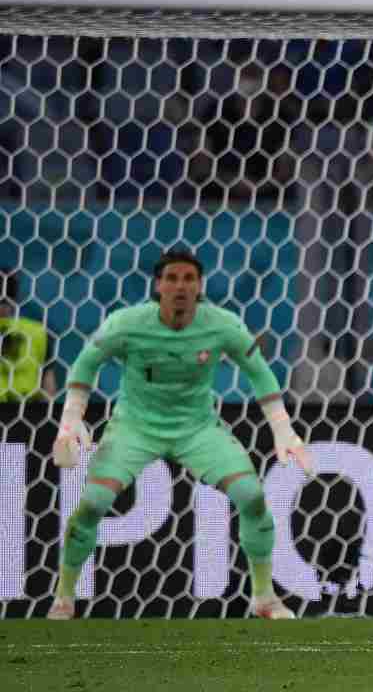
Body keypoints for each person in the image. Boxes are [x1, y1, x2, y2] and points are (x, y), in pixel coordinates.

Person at [47, 247, 313, 621]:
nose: (180, 286)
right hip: (135, 428)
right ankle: (63, 600)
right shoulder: (127, 323)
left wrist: (284, 431)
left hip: (197, 429)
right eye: (172, 278)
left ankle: (264, 597)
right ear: (158, 285)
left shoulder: (222, 325)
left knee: (252, 496)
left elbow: (260, 372)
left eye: (188, 278)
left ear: (200, 285)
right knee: (91, 505)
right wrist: (71, 420)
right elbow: (86, 363)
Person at [0, 268, 58, 401]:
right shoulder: (36, 331)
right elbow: (50, 389)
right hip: (28, 414)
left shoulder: (36, 332)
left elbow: (49, 386)